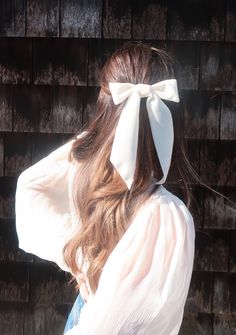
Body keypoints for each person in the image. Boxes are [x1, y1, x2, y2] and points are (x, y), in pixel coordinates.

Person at [15, 42, 195, 335]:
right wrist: (79, 258)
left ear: (105, 106)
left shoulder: (85, 172)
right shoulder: (167, 216)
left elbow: (32, 186)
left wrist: (80, 258)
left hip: (84, 317)